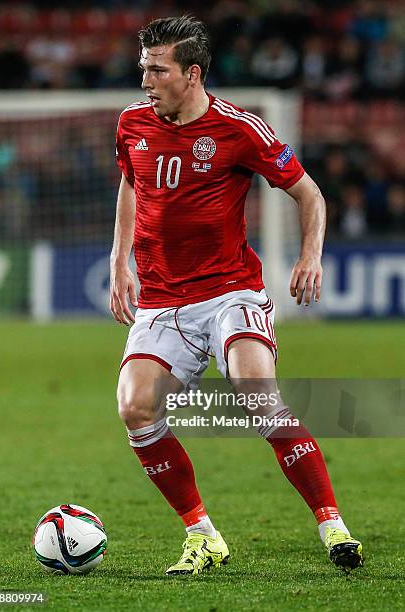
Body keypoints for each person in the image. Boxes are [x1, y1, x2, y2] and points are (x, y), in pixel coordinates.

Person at [110, 15, 363, 576]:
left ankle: (331, 523)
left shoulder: (239, 129)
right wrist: (118, 263)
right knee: (134, 407)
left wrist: (310, 255)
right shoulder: (131, 123)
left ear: (192, 74)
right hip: (161, 301)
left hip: (229, 291)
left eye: (158, 70)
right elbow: (131, 184)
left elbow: (310, 194)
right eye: (143, 68)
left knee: (255, 390)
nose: (145, 80)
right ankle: (203, 536)